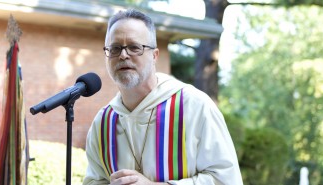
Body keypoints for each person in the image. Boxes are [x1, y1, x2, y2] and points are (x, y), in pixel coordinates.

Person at [83, 9, 243, 185]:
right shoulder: (103, 122)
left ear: (154, 55)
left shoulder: (194, 106)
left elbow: (226, 179)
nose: (123, 55)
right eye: (114, 48)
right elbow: (94, 181)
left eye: (135, 47)